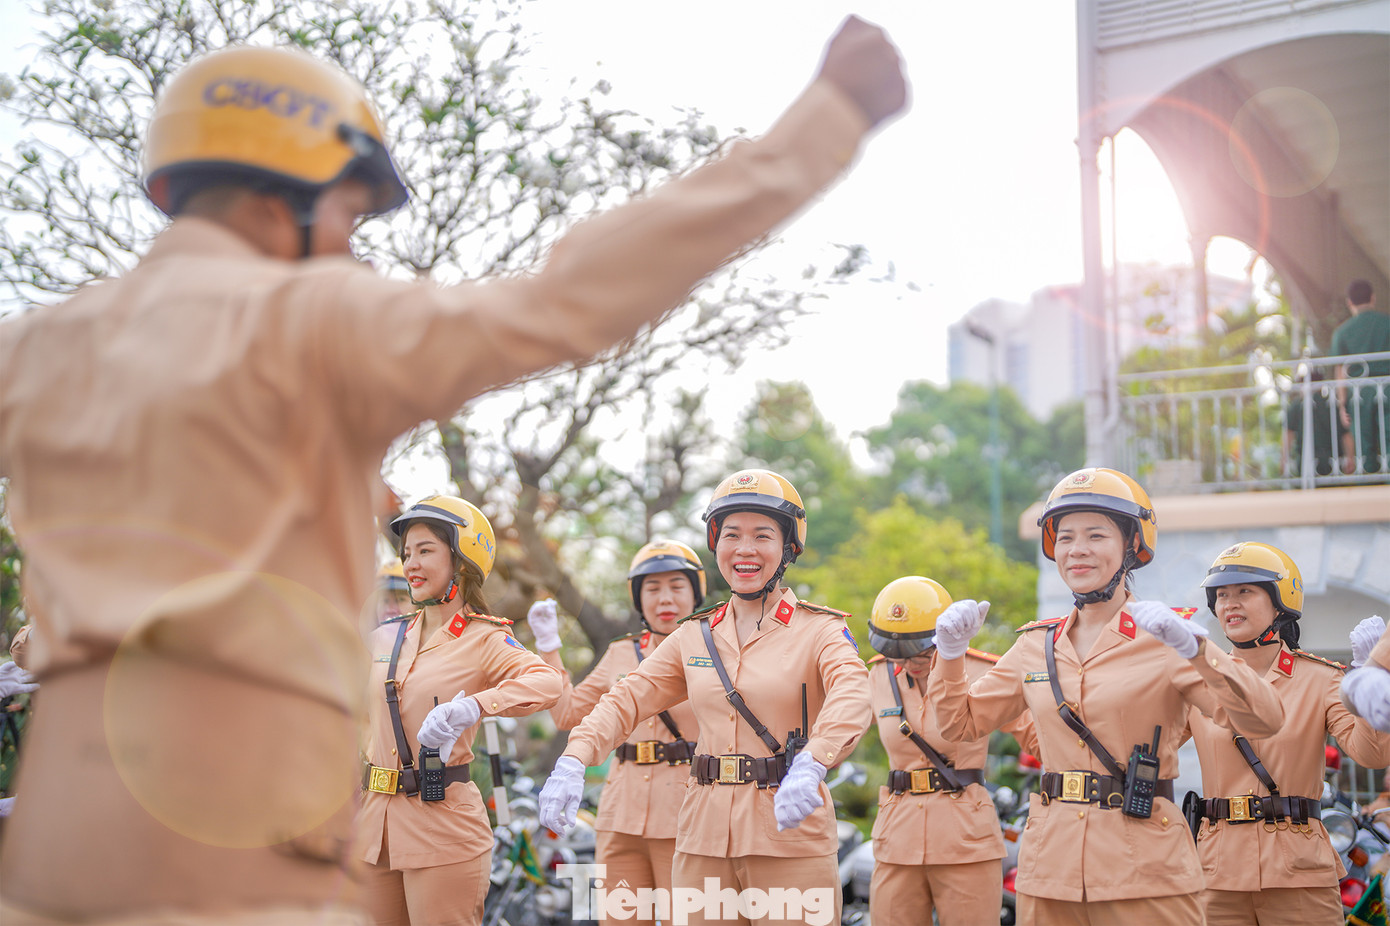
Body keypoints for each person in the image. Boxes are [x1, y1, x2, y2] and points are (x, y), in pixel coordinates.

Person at [0, 19, 906, 924]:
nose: (349, 245)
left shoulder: (37, 348)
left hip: (55, 835)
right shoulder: (307, 320)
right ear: (295, 192)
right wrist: (822, 126)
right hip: (239, 823)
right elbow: (565, 300)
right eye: (351, 214)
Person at [927, 467, 1285, 925]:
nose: (1077, 550)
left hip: (1145, 869)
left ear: (1131, 547)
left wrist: (1198, 647)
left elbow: (1264, 719)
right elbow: (958, 727)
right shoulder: (1035, 645)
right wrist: (952, 656)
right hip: (1050, 870)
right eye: (1067, 537)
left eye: (1096, 535)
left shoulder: (1165, 636)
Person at [538, 469, 872, 926]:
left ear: (789, 547)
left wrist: (815, 759)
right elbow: (627, 698)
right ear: (716, 545)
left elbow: (853, 692)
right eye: (731, 535)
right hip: (702, 838)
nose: (745, 549)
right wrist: (575, 758)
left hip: (787, 828)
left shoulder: (820, 630)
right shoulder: (695, 636)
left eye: (763, 535)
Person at [358, 495, 562, 926]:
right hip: (373, 828)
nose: (411, 563)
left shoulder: (483, 638)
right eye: (407, 552)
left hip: (442, 827)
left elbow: (546, 682)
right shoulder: (382, 640)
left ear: (462, 559)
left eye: (426, 550)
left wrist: (475, 706)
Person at [1183, 541, 1390, 924]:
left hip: (1299, 873)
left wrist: (1371, 680)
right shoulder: (1197, 678)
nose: (1230, 603)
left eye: (1245, 591)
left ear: (1280, 601)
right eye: (1222, 595)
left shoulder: (1323, 679)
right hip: (1217, 872)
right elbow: (1142, 738)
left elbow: (1372, 755)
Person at [528, 540, 707, 926]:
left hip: (686, 815)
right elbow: (567, 714)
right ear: (638, 599)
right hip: (619, 814)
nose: (665, 599)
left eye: (677, 587)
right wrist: (549, 647)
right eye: (653, 589)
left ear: (696, 594)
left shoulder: (712, 652)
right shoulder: (621, 653)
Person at [864, 575, 1036, 926]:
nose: (910, 662)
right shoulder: (878, 675)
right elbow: (841, 730)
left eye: (922, 652)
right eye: (900, 654)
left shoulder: (983, 670)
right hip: (897, 838)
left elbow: (1040, 738)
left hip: (966, 837)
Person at [1332, 279, 1390, 475]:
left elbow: (1340, 371)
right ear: (1373, 298)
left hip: (1360, 395)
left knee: (1365, 449)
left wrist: (1342, 404)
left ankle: (1371, 491)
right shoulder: (1387, 323)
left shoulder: (1342, 332)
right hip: (1388, 389)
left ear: (1350, 302)